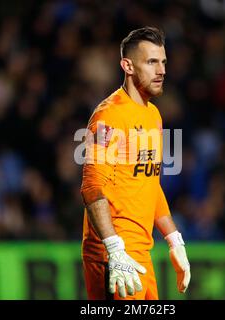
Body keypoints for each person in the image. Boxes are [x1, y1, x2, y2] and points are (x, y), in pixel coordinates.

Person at [80, 26, 191, 300]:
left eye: (163, 61)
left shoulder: (153, 115)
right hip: (114, 257)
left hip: (141, 253)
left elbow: (149, 182)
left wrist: (174, 238)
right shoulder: (109, 116)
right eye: (151, 62)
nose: (161, 70)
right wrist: (114, 248)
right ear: (127, 65)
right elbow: (92, 188)